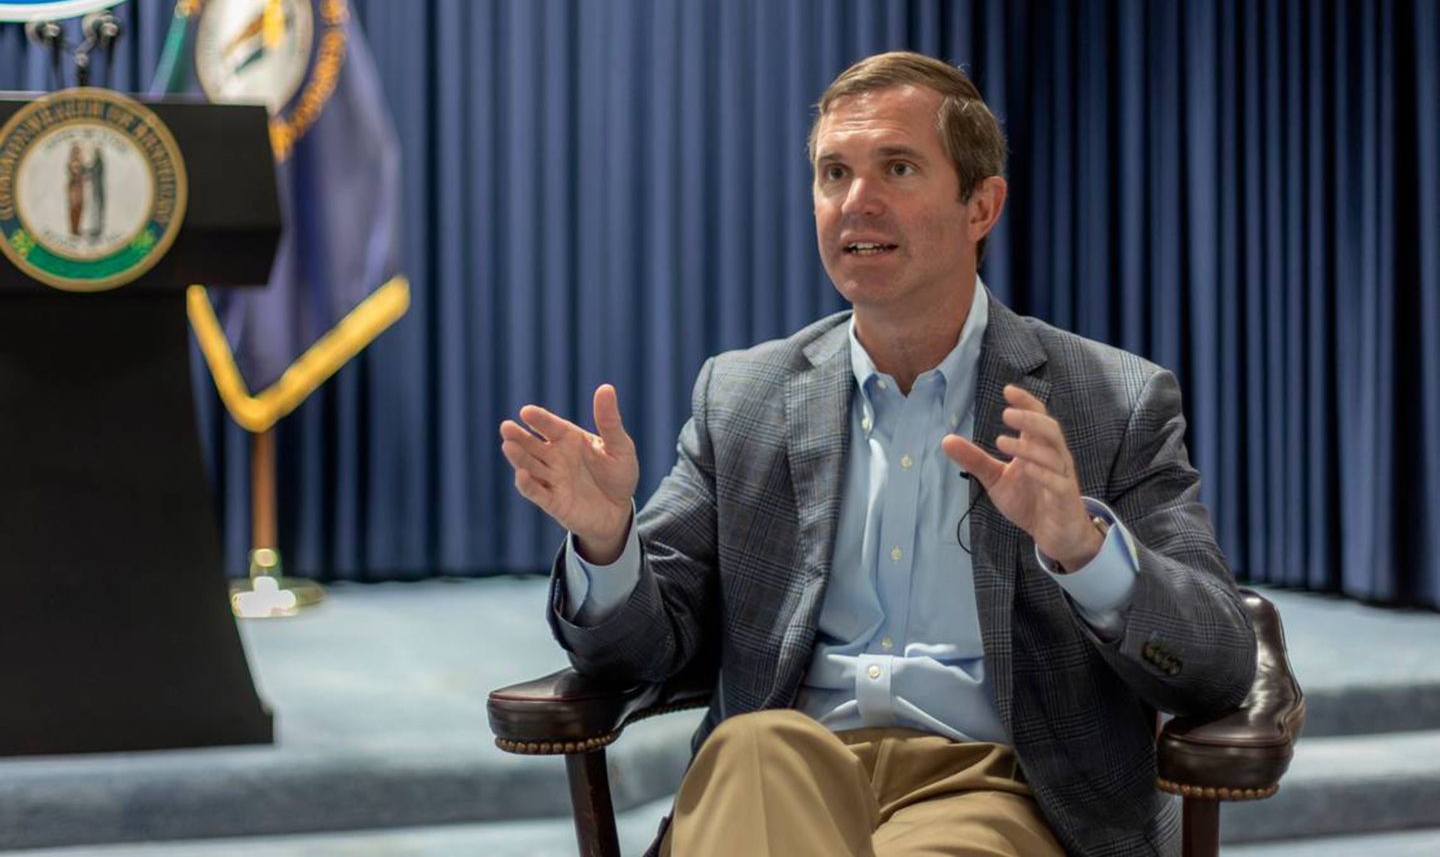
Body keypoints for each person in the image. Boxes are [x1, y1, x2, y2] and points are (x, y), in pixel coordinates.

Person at [499, 52, 1256, 857]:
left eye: (897, 168)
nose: (857, 201)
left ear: (981, 206)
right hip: (782, 776)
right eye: (834, 173)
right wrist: (609, 541)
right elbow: (639, 654)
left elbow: (1214, 665)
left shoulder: (1108, 400)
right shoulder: (744, 396)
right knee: (752, 748)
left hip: (995, 788)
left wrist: (1083, 547)